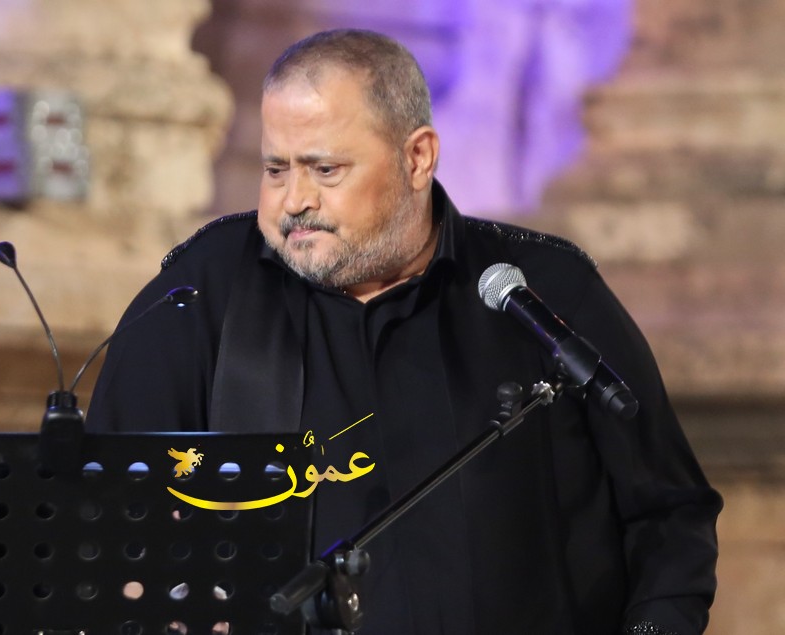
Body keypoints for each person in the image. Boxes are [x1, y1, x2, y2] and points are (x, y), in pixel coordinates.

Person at [87, 29, 721, 634]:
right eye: (276, 169)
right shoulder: (202, 295)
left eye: (325, 169)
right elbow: (106, 516)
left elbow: (668, 514)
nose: (293, 201)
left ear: (417, 158)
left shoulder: (546, 293)